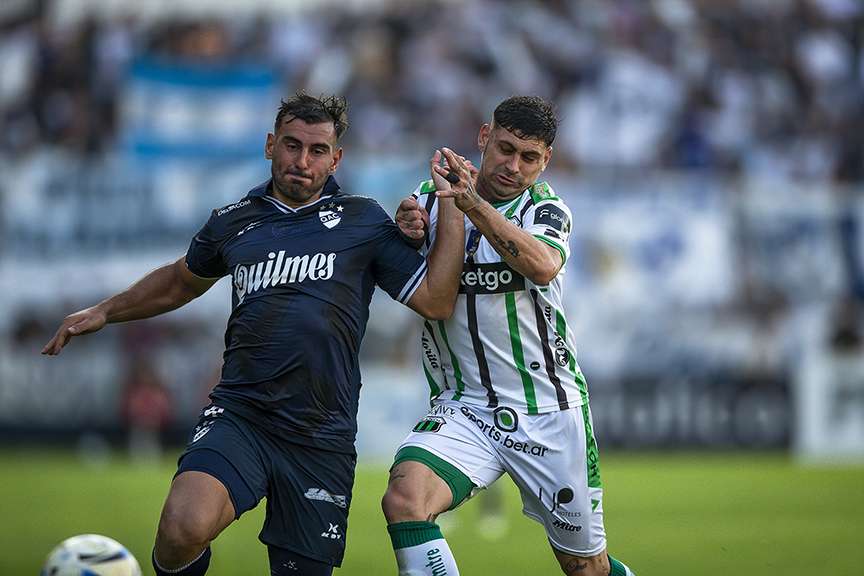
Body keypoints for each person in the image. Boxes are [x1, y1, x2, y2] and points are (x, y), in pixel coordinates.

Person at [42, 92, 471, 576]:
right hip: (242, 413)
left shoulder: (365, 220)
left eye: (316, 151)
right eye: (291, 145)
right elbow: (183, 280)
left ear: (336, 158)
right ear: (270, 145)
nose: (301, 161)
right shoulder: (233, 221)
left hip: (320, 433)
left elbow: (436, 300)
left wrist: (450, 210)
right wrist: (107, 310)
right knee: (182, 527)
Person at [384, 96, 636, 576]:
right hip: (466, 407)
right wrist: (408, 226)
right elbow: (406, 237)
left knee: (584, 567)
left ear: (546, 162)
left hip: (545, 409)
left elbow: (542, 266)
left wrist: (471, 204)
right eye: (504, 149)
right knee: (405, 498)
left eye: (529, 158)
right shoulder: (432, 197)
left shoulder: (546, 209)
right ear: (484, 137)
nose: (513, 166)